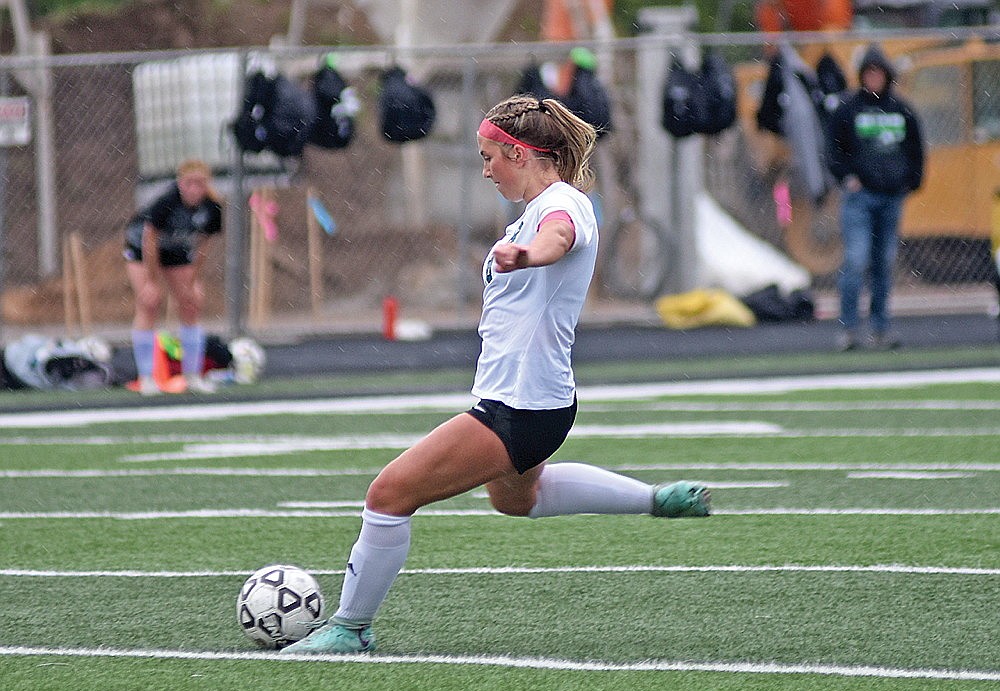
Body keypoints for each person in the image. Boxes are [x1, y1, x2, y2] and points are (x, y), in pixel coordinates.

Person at [282, 95, 711, 656]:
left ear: (520, 152)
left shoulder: (563, 204)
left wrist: (530, 255)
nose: (485, 170)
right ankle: (657, 499)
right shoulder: (531, 211)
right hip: (534, 404)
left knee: (388, 495)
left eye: (489, 157)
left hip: (519, 407)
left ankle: (350, 627)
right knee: (515, 500)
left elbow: (558, 236)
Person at [827, 44, 924, 351]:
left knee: (883, 262)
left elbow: (915, 150)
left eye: (878, 72)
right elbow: (833, 150)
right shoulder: (848, 110)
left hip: (890, 197)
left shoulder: (901, 110)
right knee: (856, 260)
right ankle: (849, 329)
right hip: (860, 198)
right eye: (868, 72)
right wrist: (846, 177)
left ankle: (880, 328)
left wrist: (912, 181)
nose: (873, 78)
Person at [123, 158, 223, 394]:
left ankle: (192, 375)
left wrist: (192, 280)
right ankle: (147, 377)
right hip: (142, 250)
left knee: (192, 302)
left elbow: (204, 244)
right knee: (150, 302)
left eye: (200, 184)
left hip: (177, 250)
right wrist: (151, 281)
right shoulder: (167, 202)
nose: (194, 190)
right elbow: (149, 239)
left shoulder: (211, 207)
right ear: (180, 183)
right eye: (189, 183)